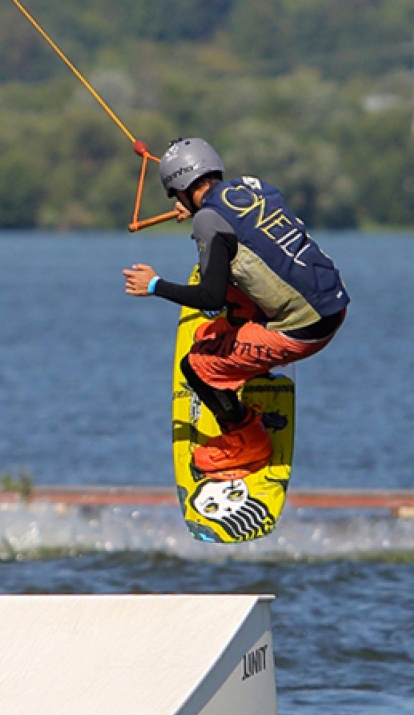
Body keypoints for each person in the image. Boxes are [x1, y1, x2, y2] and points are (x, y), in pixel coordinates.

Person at [123, 137, 350, 480]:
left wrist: (155, 285)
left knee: (197, 366)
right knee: (225, 282)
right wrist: (201, 210)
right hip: (333, 301)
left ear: (181, 188)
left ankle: (249, 442)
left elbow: (210, 298)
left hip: (307, 329)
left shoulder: (209, 221)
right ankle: (247, 342)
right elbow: (239, 225)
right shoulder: (251, 188)